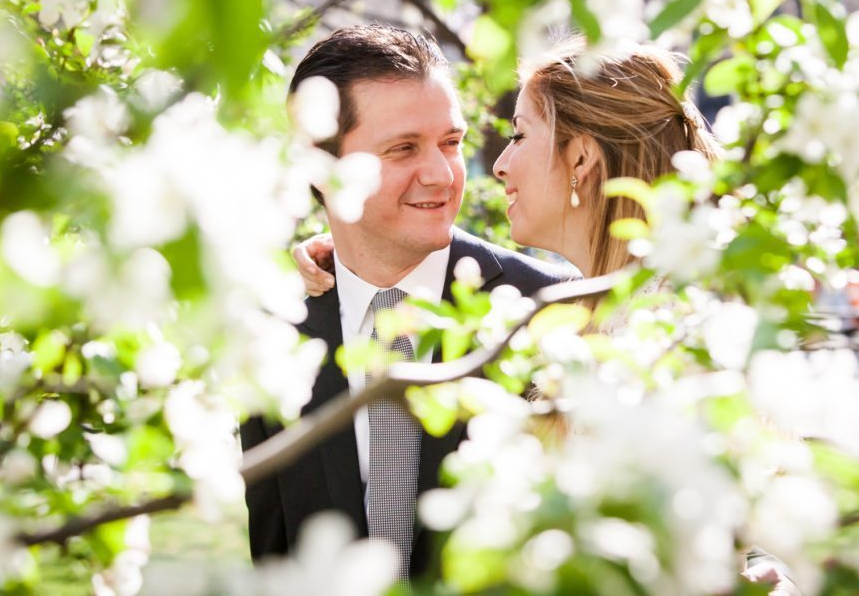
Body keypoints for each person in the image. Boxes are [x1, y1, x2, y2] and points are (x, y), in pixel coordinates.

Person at [293, 35, 800, 594]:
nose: (498, 163)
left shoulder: (662, 333)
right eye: (402, 148)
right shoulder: (580, 316)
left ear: (579, 157)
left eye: (518, 135)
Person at [240, 25, 571, 581]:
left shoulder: (548, 310)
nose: (442, 175)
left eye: (451, 142)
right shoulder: (272, 326)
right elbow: (274, 551)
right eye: (403, 149)